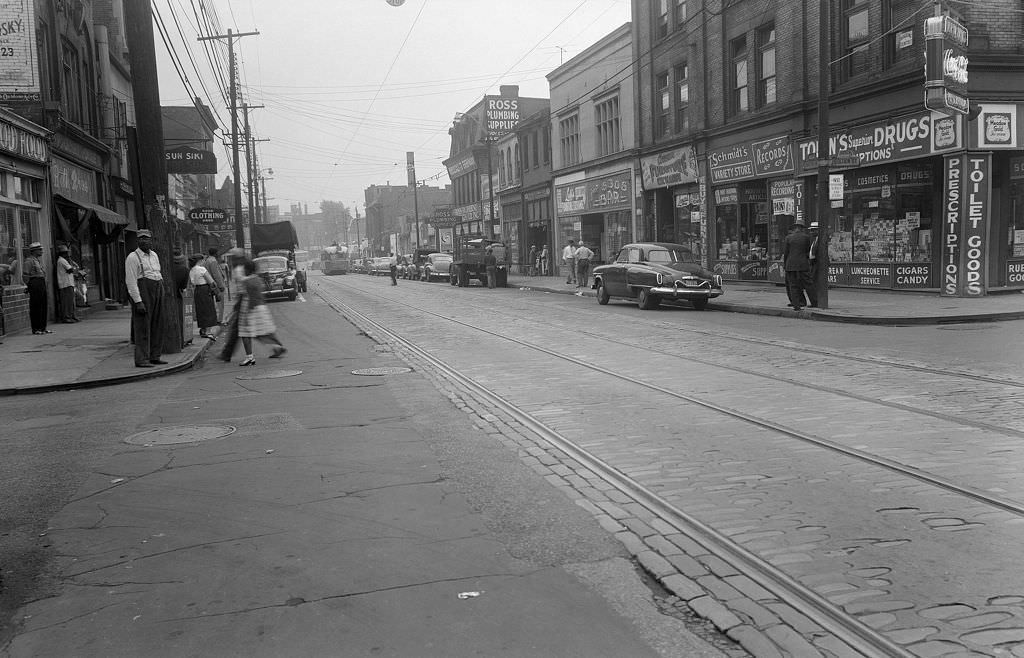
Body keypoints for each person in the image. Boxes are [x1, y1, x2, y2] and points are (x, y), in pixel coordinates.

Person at [125, 229, 166, 367]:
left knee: (157, 324)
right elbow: (131, 281)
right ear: (137, 241)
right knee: (142, 327)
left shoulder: (154, 255)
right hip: (143, 291)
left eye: (146, 238)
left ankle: (155, 355)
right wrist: (138, 301)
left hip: (157, 287)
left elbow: (157, 273)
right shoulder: (133, 257)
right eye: (141, 238)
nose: (144, 241)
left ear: (151, 240)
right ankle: (141, 359)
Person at [237, 258, 286, 366]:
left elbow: (244, 292)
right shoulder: (258, 279)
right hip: (262, 307)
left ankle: (250, 357)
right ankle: (278, 347)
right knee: (266, 331)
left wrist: (247, 313)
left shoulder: (247, 281)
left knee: (246, 333)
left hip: (251, 308)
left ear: (247, 269)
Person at [218, 247, 247, 362]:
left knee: (238, 327)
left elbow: (243, 284)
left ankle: (227, 352)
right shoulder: (242, 267)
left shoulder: (240, 269)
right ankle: (276, 346)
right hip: (243, 298)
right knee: (253, 326)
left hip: (244, 298)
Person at [189, 254, 221, 339]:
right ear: (200, 260)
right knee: (209, 310)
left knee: (201, 310)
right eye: (203, 260)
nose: (204, 262)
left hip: (197, 290)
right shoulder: (201, 269)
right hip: (205, 290)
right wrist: (217, 291)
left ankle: (203, 329)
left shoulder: (191, 270)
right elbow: (211, 281)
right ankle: (208, 331)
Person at [783, 220, 812, 311]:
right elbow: (808, 251)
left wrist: (785, 264)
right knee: (808, 284)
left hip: (790, 264)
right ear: (802, 228)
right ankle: (814, 302)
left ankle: (796, 305)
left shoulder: (788, 238)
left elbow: (786, 253)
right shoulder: (806, 238)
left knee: (793, 285)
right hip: (803, 264)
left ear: (795, 228)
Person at [24, 242, 51, 335]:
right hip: (35, 283)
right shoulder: (29, 260)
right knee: (36, 306)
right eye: (39, 249)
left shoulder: (37, 260)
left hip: (41, 283)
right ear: (34, 251)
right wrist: (29, 285)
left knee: (43, 305)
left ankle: (43, 327)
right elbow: (25, 275)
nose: (42, 251)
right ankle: (36, 328)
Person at [55, 245, 80, 323]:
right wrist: (73, 264)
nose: (67, 254)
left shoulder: (64, 260)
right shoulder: (62, 260)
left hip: (69, 283)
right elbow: (71, 269)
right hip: (65, 284)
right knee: (66, 302)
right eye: (65, 253)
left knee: (71, 302)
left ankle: (72, 315)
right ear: (62, 253)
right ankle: (66, 317)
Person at [201, 247, 226, 320]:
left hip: (211, 284)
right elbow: (216, 275)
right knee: (220, 303)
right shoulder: (213, 261)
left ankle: (215, 318)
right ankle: (219, 319)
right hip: (216, 285)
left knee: (214, 303)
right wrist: (221, 285)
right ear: (215, 253)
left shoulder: (208, 260)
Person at [807, 221, 820, 308]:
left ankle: (816, 301)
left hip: (817, 263)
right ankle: (816, 300)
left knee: (814, 283)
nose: (811, 232)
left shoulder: (819, 240)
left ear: (817, 230)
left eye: (813, 230)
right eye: (811, 230)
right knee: (813, 282)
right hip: (813, 263)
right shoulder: (815, 240)